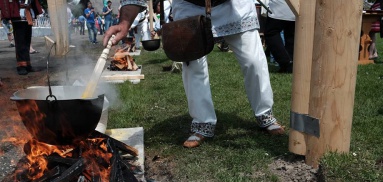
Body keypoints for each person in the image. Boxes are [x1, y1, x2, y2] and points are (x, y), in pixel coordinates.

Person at [103, 0, 285, 148]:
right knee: (193, 66)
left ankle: (264, 113)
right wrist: (125, 22)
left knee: (254, 61)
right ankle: (203, 122)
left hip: (233, 6)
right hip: (189, 5)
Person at [0, 0, 43, 75]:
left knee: (27, 41)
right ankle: (21, 66)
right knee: (20, 42)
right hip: (17, 15)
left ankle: (27, 64)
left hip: (28, 15)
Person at [264, 0, 296, 73]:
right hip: (295, 7)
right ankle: (289, 64)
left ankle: (286, 62)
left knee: (271, 33)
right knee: (291, 35)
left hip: (279, 7)